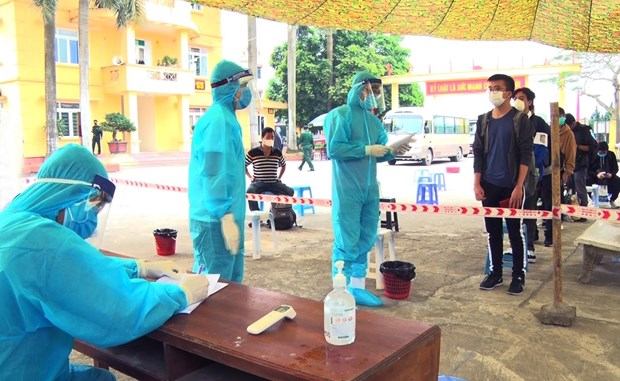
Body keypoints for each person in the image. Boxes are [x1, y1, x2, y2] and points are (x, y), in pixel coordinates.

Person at [0, 144, 209, 380]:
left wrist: (138, 267)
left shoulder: (13, 220)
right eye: (95, 206)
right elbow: (118, 311)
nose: (94, 216)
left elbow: (77, 269)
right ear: (74, 197)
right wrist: (180, 294)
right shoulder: (45, 241)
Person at [324, 71, 396, 307]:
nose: (373, 96)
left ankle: (357, 287)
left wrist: (393, 151)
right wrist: (366, 150)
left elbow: (381, 151)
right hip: (348, 189)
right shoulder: (340, 115)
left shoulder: (374, 122)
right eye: (369, 90)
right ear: (358, 89)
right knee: (347, 237)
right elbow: (334, 149)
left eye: (377, 92)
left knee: (366, 235)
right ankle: (341, 290)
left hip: (369, 189)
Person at [188, 60, 253, 282]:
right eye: (242, 86)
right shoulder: (218, 121)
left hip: (225, 215)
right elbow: (213, 172)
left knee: (230, 289)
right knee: (212, 289)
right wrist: (223, 214)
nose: (245, 92)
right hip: (214, 219)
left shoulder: (227, 118)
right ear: (229, 87)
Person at [473, 74, 535, 296]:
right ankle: (495, 272)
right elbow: (478, 153)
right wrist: (477, 183)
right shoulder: (483, 120)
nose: (492, 92)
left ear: (508, 93)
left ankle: (518, 275)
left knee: (515, 232)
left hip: (512, 186)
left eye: (497, 88)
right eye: (490, 88)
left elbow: (526, 155)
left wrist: (519, 186)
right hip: (489, 185)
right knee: (493, 231)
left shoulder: (520, 120)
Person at [513, 87, 551, 263]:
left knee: (529, 210)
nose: (517, 101)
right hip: (510, 174)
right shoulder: (510, 120)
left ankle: (529, 246)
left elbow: (541, 149)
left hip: (531, 174)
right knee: (512, 212)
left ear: (529, 102)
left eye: (521, 98)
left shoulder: (539, 123)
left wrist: (527, 165)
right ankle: (515, 246)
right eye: (515, 98)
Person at [540, 107, 576, 247]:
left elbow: (570, 154)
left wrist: (567, 172)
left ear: (563, 117)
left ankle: (551, 236)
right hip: (545, 171)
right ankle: (541, 231)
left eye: (559, 116)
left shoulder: (568, 134)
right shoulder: (548, 130)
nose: (556, 118)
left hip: (559, 172)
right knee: (544, 203)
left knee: (554, 204)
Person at [245, 127, 294, 215]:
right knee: (250, 192)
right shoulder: (253, 152)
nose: (270, 139)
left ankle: (279, 213)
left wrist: (279, 177)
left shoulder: (277, 152)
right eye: (268, 137)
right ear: (262, 138)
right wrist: (250, 177)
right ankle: (257, 216)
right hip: (258, 183)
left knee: (290, 191)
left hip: (274, 183)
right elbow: (243, 165)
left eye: (272, 137)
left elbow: (283, 165)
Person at [567, 115, 597, 213]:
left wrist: (577, 146)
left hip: (581, 163)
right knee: (569, 187)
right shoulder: (566, 131)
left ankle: (583, 211)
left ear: (573, 123)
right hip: (569, 163)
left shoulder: (584, 131)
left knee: (580, 186)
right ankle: (572, 210)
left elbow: (592, 147)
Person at [589, 141, 620, 208]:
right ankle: (592, 200)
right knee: (587, 180)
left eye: (604, 152)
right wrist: (596, 174)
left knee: (617, 181)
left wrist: (611, 174)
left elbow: (615, 168)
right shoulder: (593, 155)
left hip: (608, 176)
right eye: (600, 153)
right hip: (595, 176)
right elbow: (588, 169)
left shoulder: (611, 155)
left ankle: (612, 200)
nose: (602, 154)